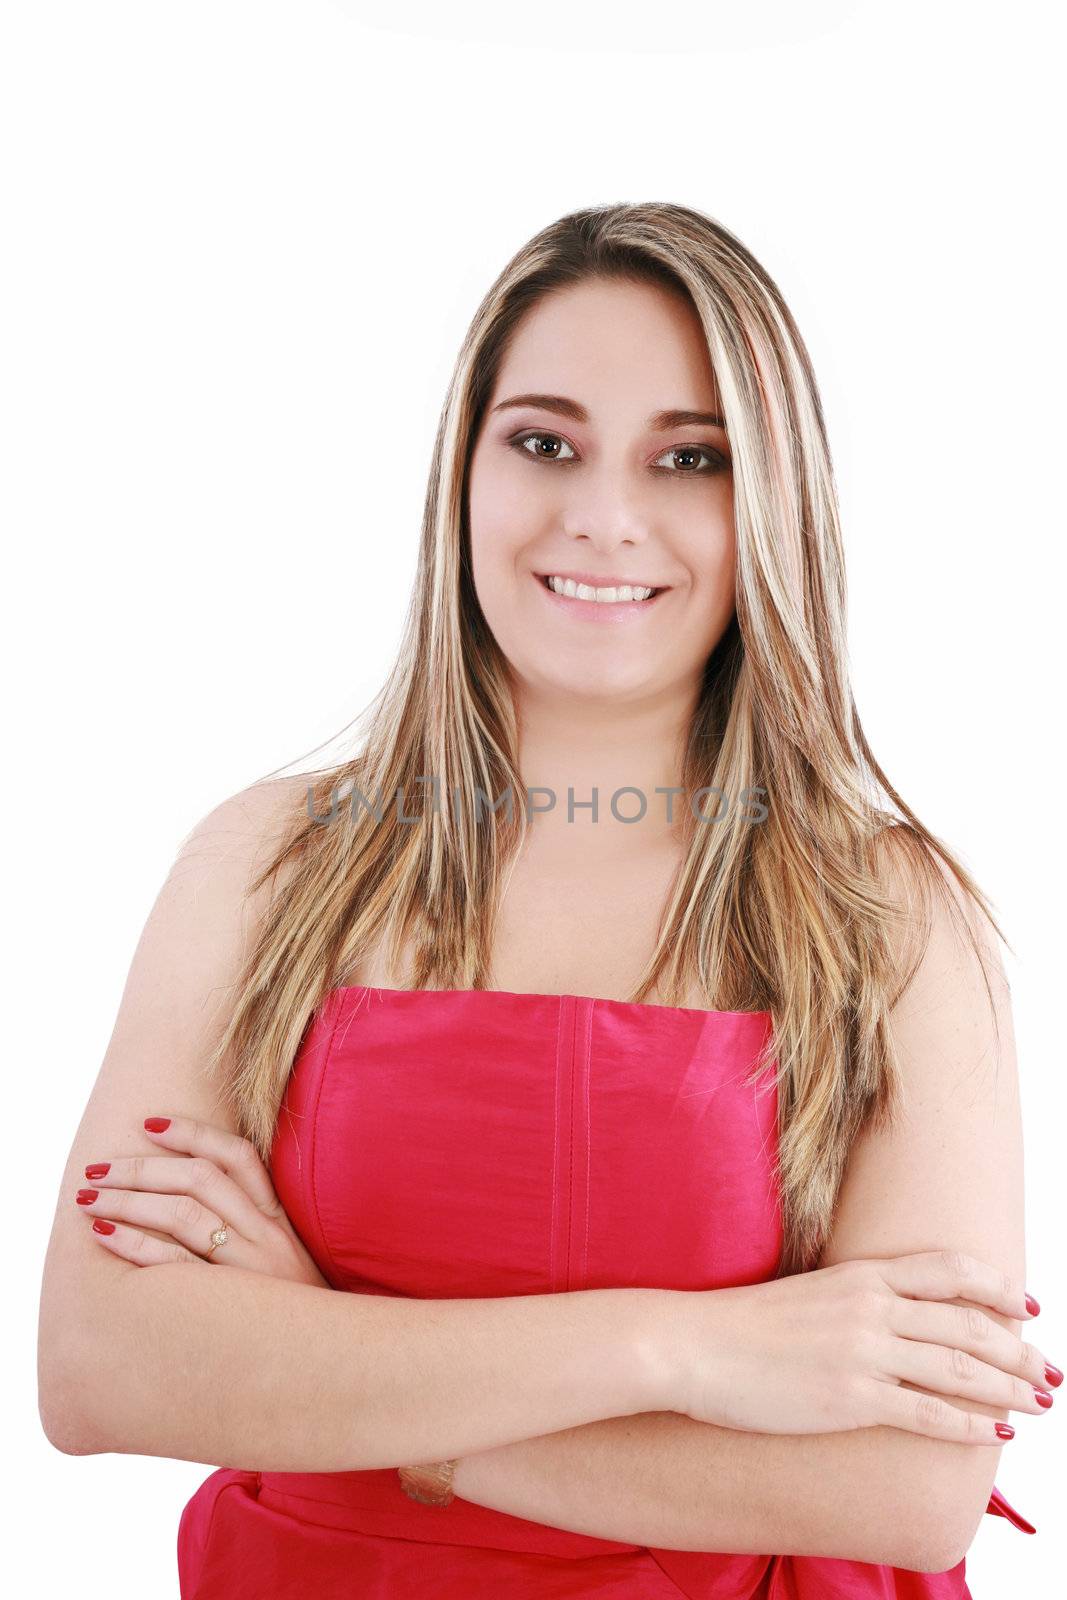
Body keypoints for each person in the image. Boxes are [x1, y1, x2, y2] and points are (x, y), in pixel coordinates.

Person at [38, 202, 1053, 1596]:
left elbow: (903, 1488)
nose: (604, 517)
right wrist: (683, 1352)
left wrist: (336, 1372)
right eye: (543, 441)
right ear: (465, 471)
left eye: (688, 457)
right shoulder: (266, 865)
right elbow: (103, 1370)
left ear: (772, 497)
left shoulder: (887, 917)